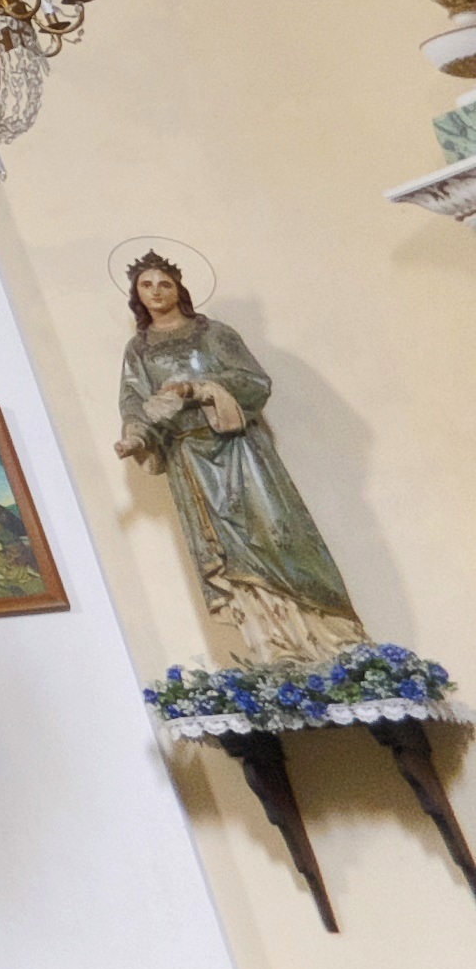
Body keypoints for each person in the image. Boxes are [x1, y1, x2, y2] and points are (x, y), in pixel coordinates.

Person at [116, 253, 367, 668]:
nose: (157, 292)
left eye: (165, 283)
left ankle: (326, 639)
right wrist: (134, 435)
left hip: (238, 449)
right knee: (227, 552)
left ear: (179, 287)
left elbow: (255, 382)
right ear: (136, 295)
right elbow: (135, 399)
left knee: (272, 532)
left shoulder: (212, 333)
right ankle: (271, 646)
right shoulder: (138, 349)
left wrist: (198, 389)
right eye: (147, 285)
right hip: (189, 461)